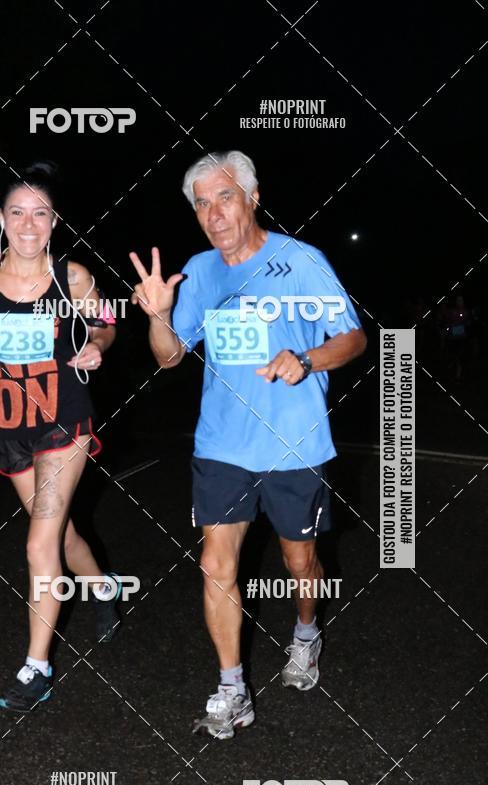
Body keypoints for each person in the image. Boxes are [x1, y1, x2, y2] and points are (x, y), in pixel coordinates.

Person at [130, 150, 367, 740]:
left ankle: (307, 634)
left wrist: (306, 358)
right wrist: (158, 317)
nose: (214, 212)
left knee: (299, 562)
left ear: (253, 198)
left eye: (225, 197)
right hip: (222, 445)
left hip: (294, 444)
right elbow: (168, 357)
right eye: (202, 203)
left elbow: (355, 337)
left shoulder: (300, 261)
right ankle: (232, 688)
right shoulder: (201, 272)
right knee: (215, 565)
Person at [0, 162, 120, 712]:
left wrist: (99, 345)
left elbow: (106, 322)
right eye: (18, 213)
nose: (29, 224)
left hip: (66, 424)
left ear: (55, 221)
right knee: (59, 538)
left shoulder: (73, 277)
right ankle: (104, 587)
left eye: (40, 213)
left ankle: (37, 667)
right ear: (1, 219)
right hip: (9, 430)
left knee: (38, 542)